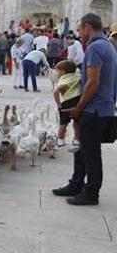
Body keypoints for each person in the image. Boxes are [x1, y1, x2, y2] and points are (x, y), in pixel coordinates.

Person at [53, 13, 117, 206]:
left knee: (90, 152)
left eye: (81, 29)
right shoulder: (109, 46)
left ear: (88, 27)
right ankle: (76, 183)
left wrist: (79, 107)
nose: (79, 34)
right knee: (82, 148)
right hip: (102, 106)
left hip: (93, 108)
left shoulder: (95, 47)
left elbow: (93, 82)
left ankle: (91, 192)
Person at [52, 60, 82, 153]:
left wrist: (58, 104)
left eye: (58, 71)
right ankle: (77, 140)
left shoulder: (65, 79)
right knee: (77, 122)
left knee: (63, 123)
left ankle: (60, 140)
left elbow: (56, 92)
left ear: (63, 72)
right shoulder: (76, 75)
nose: (57, 74)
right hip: (78, 101)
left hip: (67, 103)